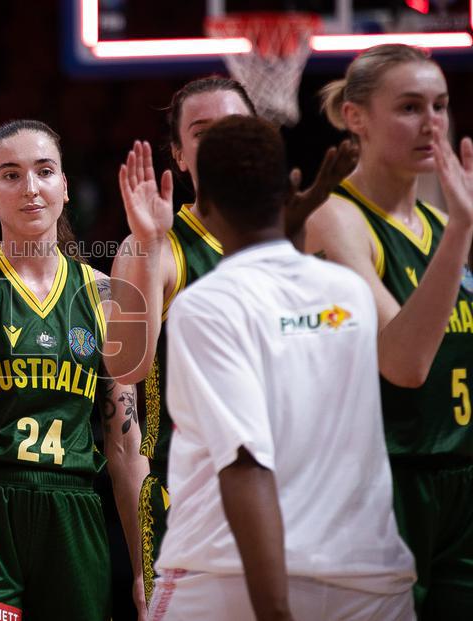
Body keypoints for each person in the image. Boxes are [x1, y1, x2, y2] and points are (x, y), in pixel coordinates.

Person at [149, 115, 415, 621]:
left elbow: (246, 463)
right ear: (292, 185)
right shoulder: (349, 293)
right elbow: (284, 290)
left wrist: (275, 611)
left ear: (203, 207)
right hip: (369, 581)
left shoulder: (207, 303)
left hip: (232, 576)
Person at [102, 76, 357, 600]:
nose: (221, 142)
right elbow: (126, 368)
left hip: (299, 490)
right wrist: (149, 246)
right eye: (202, 132)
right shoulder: (154, 245)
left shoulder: (303, 237)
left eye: (233, 127)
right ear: (178, 154)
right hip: (191, 499)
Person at [0, 119, 147, 620]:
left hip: (74, 511)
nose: (31, 188)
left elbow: (126, 444)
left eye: (44, 172)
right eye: (12, 175)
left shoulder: (106, 296)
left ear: (64, 186)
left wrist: (144, 565)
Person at [305, 44, 473, 618]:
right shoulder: (334, 217)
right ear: (356, 117)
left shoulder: (439, 222)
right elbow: (403, 364)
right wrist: (463, 234)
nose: (432, 124)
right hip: (384, 484)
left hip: (461, 477)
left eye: (441, 105)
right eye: (408, 107)